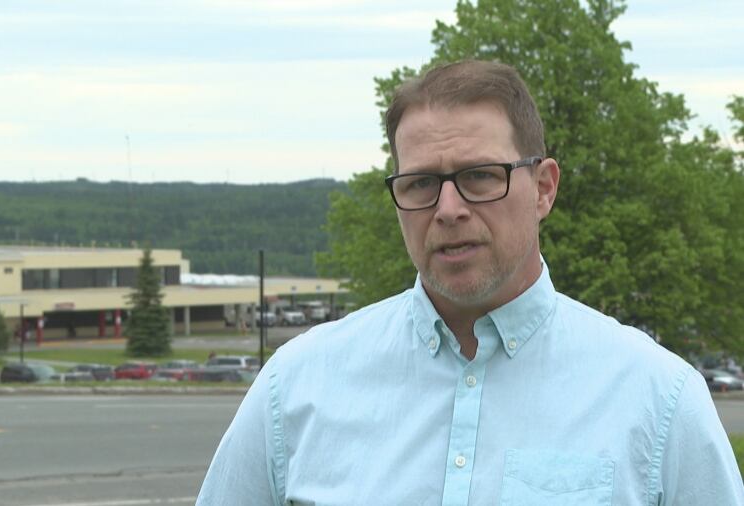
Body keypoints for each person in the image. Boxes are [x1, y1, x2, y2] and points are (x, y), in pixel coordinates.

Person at [197, 60, 743, 505]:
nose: (449, 209)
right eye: (421, 183)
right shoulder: (295, 387)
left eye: (481, 176)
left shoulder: (659, 399)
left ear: (544, 188)